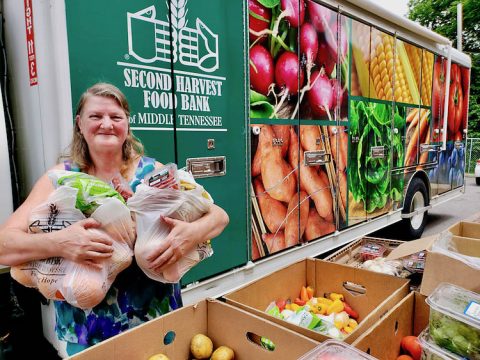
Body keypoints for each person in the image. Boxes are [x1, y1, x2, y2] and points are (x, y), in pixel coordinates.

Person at [0, 82, 229, 356]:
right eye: (95, 117)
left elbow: (219, 216)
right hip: (89, 334)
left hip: (158, 323)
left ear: (127, 126)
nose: (106, 124)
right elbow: (4, 246)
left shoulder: (152, 172)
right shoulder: (59, 179)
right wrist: (61, 244)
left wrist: (191, 233)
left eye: (116, 117)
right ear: (79, 125)